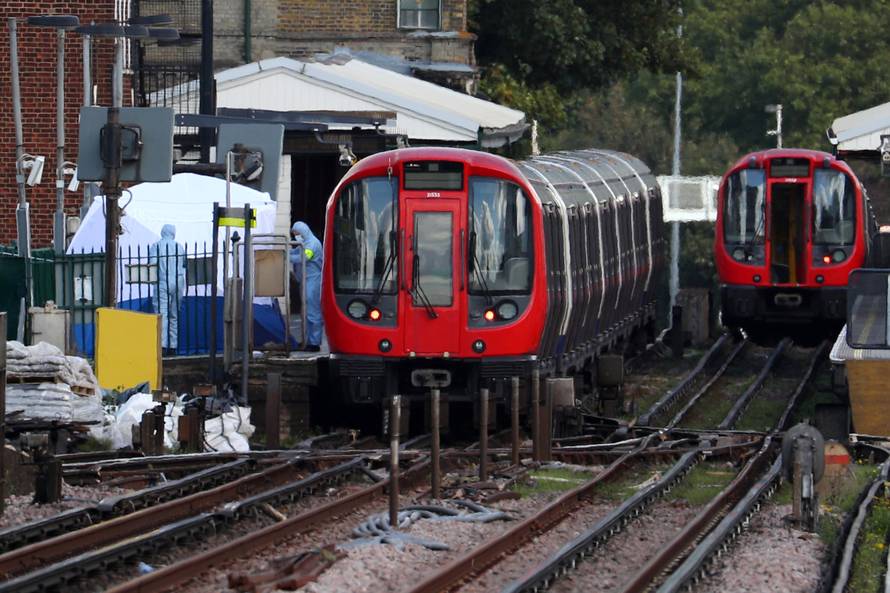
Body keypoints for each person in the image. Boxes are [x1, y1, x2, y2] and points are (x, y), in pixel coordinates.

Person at [150, 224, 187, 355]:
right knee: (174, 315)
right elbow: (184, 265)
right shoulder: (179, 246)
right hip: (178, 281)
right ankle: (173, 345)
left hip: (162, 281)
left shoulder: (156, 246)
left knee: (162, 314)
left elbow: (152, 264)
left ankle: (163, 345)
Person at [290, 221, 324, 351]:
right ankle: (307, 340)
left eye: (297, 233)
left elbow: (304, 257)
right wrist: (286, 252)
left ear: (303, 231)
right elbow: (295, 252)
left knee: (313, 312)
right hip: (306, 281)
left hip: (313, 281)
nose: (295, 236)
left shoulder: (313, 244)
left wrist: (286, 257)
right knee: (305, 312)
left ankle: (314, 343)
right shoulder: (305, 243)